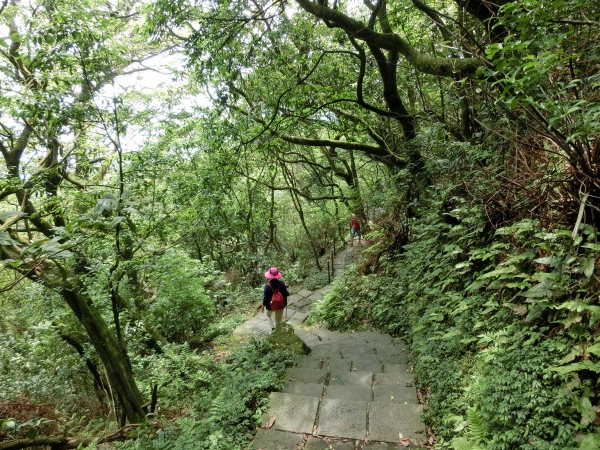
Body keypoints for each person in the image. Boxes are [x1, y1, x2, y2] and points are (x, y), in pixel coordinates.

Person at [261, 267, 290, 332]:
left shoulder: (267, 286)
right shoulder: (282, 283)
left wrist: (263, 306)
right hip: (281, 305)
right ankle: (277, 331)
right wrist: (286, 287)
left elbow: (265, 298)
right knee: (278, 320)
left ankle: (273, 328)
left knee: (268, 314)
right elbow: (286, 294)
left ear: (269, 276)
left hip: (270, 306)